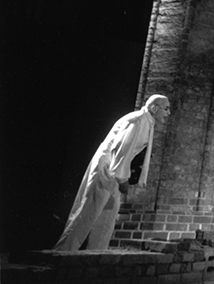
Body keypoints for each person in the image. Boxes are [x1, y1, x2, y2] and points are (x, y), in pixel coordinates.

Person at [53, 94, 171, 251]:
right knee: (88, 212)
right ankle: (61, 252)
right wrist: (123, 178)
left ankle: (96, 254)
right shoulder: (137, 121)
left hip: (113, 171)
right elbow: (121, 149)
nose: (168, 113)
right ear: (155, 108)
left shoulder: (146, 121)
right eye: (166, 108)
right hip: (107, 169)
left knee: (108, 215)